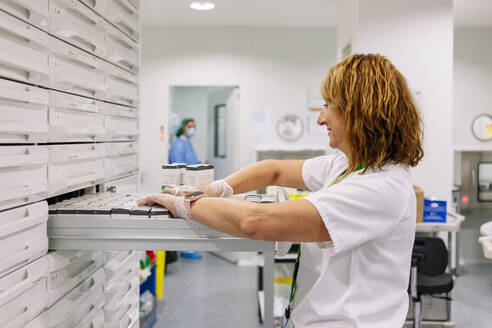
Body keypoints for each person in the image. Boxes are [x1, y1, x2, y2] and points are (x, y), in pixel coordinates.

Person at [140, 54, 424, 327]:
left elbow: (256, 222)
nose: (320, 119)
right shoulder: (347, 164)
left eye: (328, 105)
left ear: (359, 111)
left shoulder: (380, 186)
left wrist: (187, 203)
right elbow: (273, 169)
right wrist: (216, 189)